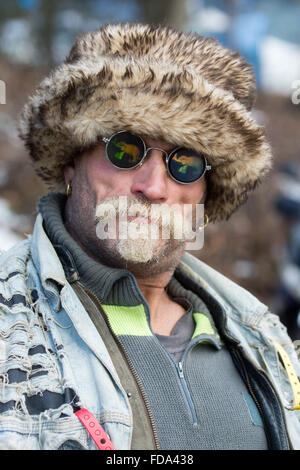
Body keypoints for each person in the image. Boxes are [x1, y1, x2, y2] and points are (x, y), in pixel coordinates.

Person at [0, 22, 299, 451]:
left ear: (203, 193)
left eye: (185, 164)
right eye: (125, 150)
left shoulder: (264, 340)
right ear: (71, 160)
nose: (154, 186)